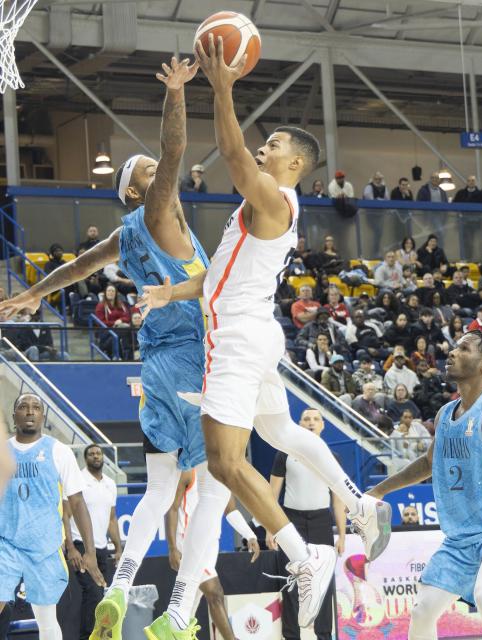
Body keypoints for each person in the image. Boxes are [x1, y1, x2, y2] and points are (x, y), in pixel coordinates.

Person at [141, 39, 392, 638]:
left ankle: (308, 562)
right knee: (278, 431)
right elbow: (216, 277)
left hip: (238, 340)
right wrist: (169, 294)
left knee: (225, 465)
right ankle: (358, 504)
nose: (262, 146)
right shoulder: (263, 209)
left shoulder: (275, 199)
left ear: (294, 164)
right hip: (253, 333)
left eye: (273, 144)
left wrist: (221, 88)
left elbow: (231, 153)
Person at [0, 58, 227, 640]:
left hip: (151, 365)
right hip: (190, 355)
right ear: (135, 190)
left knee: (157, 489)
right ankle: (179, 613)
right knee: (217, 483)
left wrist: (32, 293)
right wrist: (176, 93)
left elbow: (77, 266)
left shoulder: (124, 238)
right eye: (149, 172)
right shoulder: (156, 214)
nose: (164, 175)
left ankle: (121, 587)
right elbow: (174, 152)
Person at [369, 331, 482, 640]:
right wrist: (380, 490)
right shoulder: (445, 414)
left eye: (464, 348)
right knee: (422, 611)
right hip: (461, 537)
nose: (452, 353)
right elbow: (428, 464)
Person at [0, 393, 105, 640]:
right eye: (23, 407)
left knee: (46, 620)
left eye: (36, 407)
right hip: (6, 544)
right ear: (14, 415)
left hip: (43, 547)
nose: (29, 411)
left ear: (42, 416)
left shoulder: (59, 451)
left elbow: (77, 502)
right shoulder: (3, 451)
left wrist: (89, 552)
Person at [268, 407, 346, 640]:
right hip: (290, 523)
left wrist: (341, 534)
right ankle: (291, 636)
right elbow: (271, 495)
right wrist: (271, 527)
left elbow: (338, 499)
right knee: (292, 582)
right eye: (306, 419)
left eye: (316, 419)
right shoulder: (284, 454)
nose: (311, 423)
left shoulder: (333, 457)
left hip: (322, 522)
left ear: (323, 425)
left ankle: (324, 635)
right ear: (299, 424)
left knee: (322, 585)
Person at [166, 470, 260, 640]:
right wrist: (172, 547)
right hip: (188, 542)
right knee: (215, 593)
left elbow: (230, 510)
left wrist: (250, 535)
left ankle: (172, 634)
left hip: (210, 545)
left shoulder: (221, 472)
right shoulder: (189, 471)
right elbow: (172, 509)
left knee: (189, 606)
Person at [60, 445, 122, 640]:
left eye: (99, 453)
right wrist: (70, 547)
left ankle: (101, 636)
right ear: (85, 458)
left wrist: (118, 547)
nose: (96, 456)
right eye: (91, 454)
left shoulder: (111, 484)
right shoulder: (77, 480)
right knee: (93, 594)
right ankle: (87, 637)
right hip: (81, 547)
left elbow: (112, 519)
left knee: (102, 597)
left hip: (102, 549)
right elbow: (66, 514)